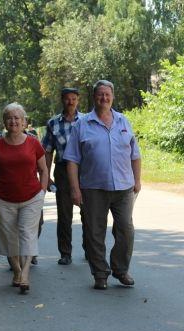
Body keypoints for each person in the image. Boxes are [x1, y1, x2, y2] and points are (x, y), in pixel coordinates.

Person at [63, 80, 141, 290]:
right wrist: (74, 189)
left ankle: (121, 269)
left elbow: (135, 154)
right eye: (100, 95)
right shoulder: (82, 124)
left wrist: (137, 180)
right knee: (94, 232)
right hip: (93, 188)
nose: (104, 98)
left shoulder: (124, 121)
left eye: (107, 94)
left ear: (112, 97)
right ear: (94, 97)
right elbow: (72, 159)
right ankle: (100, 274)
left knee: (126, 229)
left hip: (123, 188)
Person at [0, 103, 48, 294]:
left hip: (31, 197)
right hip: (4, 199)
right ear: (5, 122)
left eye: (17, 118)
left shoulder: (33, 143)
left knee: (27, 233)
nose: (13, 121)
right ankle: (17, 271)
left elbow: (43, 170)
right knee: (8, 237)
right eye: (9, 118)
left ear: (24, 122)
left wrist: (42, 191)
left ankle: (25, 274)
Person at [42, 87, 84, 265]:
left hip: (85, 171)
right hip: (62, 170)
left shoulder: (86, 121)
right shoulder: (53, 123)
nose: (71, 102)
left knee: (89, 213)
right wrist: (46, 175)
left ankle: (91, 249)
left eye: (74, 99)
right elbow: (48, 151)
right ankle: (65, 253)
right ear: (62, 100)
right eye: (67, 99)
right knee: (65, 214)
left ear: (78, 100)